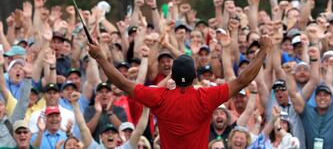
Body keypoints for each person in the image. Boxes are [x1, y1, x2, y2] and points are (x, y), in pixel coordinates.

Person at [88, 35, 272, 149]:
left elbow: (123, 83)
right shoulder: (205, 97)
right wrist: (263, 51)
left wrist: (100, 58)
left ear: (171, 77)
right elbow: (242, 80)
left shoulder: (159, 97)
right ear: (194, 77)